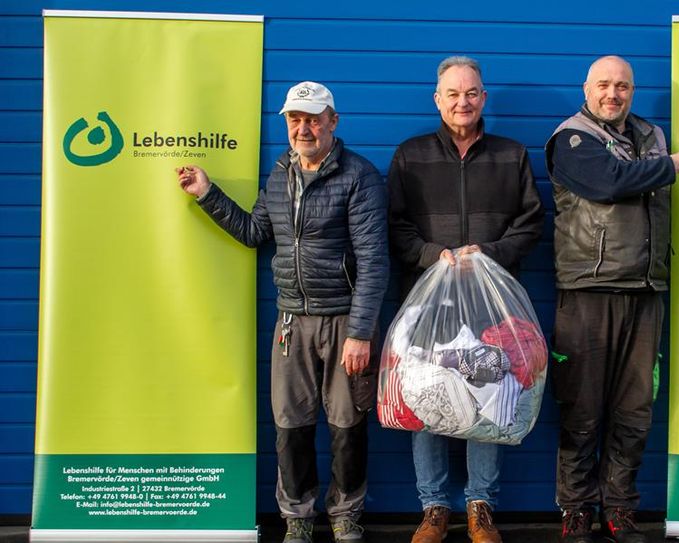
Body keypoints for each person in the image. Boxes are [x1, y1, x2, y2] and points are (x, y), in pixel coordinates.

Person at [176, 81, 389, 543]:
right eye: (295, 119)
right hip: (291, 322)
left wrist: (360, 333)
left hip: (343, 321)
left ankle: (346, 513)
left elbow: (374, 261)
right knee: (290, 424)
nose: (304, 128)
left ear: (333, 121)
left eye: (314, 118)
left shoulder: (359, 176)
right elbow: (254, 232)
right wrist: (207, 193)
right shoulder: (279, 176)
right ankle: (297, 515)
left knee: (347, 424)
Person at [544, 56, 679, 543]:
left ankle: (619, 508)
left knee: (635, 409)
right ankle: (576, 509)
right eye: (604, 85)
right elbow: (608, 183)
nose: (613, 94)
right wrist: (673, 165)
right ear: (586, 89)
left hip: (646, 291)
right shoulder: (572, 138)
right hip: (589, 291)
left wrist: (661, 162)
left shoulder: (650, 135)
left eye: (623, 86)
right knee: (582, 406)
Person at [388, 56, 544, 543]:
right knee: (425, 395)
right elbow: (394, 226)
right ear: (437, 99)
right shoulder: (410, 156)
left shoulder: (511, 154)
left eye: (472, 93)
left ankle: (480, 506)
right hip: (428, 302)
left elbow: (532, 222)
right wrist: (436, 254)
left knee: (491, 394)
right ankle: (434, 508)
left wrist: (489, 254)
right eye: (453, 94)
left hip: (491, 307)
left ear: (483, 97)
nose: (463, 102)